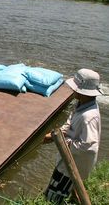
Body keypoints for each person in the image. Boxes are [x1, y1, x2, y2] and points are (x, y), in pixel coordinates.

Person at [43, 68, 103, 204]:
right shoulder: (83, 104)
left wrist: (63, 142)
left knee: (52, 197)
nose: (73, 90)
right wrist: (55, 135)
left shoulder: (89, 116)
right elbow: (70, 121)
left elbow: (89, 147)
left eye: (75, 88)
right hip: (68, 160)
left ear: (83, 91)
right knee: (70, 190)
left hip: (72, 166)